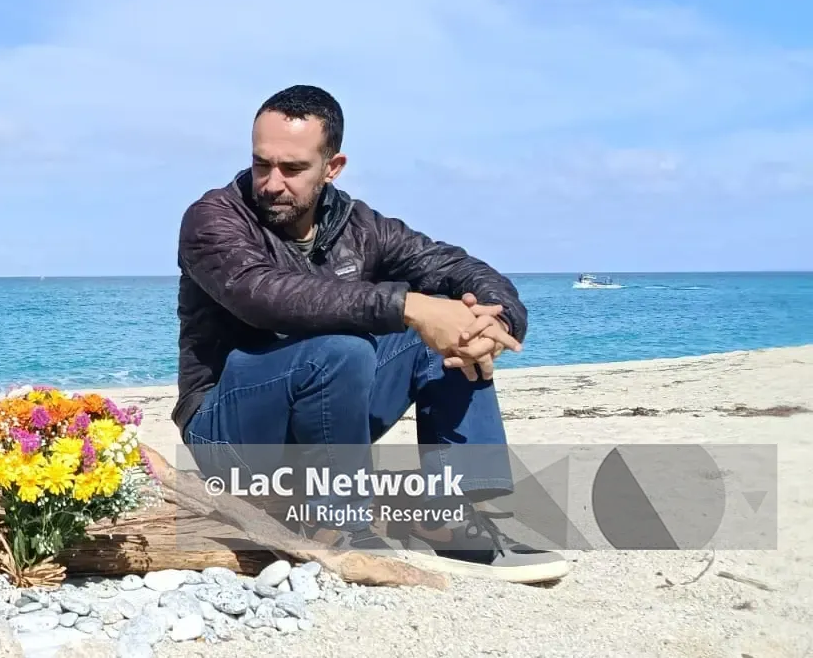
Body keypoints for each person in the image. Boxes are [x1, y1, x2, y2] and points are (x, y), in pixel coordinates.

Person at [174, 84, 568, 583]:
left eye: (292, 168)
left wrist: (493, 323)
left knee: (446, 327)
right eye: (261, 164)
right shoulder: (213, 219)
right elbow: (263, 295)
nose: (272, 183)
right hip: (226, 429)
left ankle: (449, 513)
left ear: (332, 167)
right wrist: (408, 306)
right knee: (347, 345)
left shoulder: (360, 227)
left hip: (325, 416)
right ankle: (338, 525)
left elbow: (458, 267)